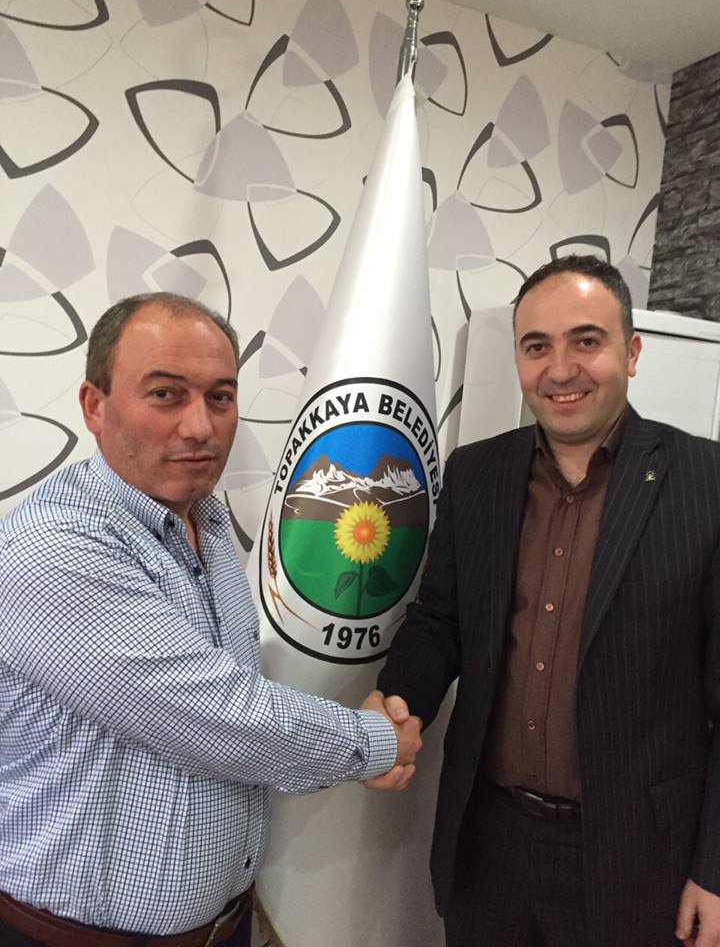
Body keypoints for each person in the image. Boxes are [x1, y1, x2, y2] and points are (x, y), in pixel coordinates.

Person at [0, 292, 422, 947]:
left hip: (224, 925)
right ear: (94, 405)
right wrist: (374, 741)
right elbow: (218, 716)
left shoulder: (209, 521)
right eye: (165, 394)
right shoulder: (53, 543)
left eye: (220, 397)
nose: (200, 426)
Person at [365, 255, 720, 947]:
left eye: (586, 341)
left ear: (632, 352)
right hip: (489, 845)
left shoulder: (706, 483)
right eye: (537, 347)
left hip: (639, 857)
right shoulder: (476, 473)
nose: (560, 370)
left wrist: (715, 867)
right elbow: (440, 621)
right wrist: (396, 703)